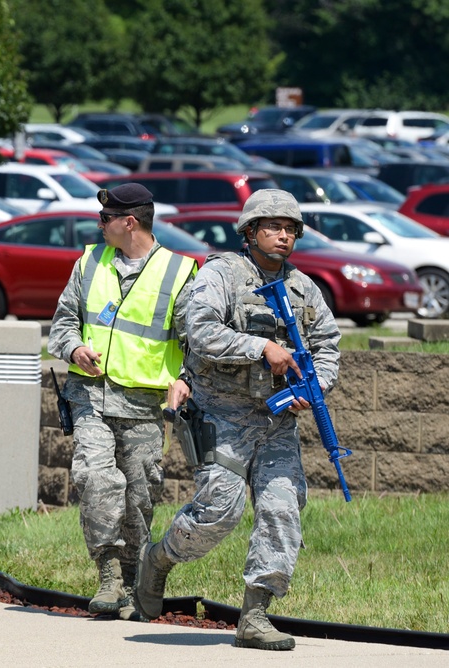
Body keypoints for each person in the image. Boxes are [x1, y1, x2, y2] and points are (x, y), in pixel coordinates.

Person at [134, 189, 340, 651]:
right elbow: (201, 331)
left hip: (276, 423)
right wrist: (260, 348)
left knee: (283, 510)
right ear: (249, 232)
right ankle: (160, 559)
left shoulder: (304, 288)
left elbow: (328, 345)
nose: (283, 236)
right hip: (221, 415)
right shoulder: (220, 275)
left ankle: (255, 615)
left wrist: (314, 388)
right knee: (219, 512)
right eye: (273, 227)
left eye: (290, 229)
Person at [47, 182, 196, 620]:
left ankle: (133, 582)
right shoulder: (89, 262)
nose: (99, 225)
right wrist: (74, 349)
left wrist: (185, 379)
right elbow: (62, 324)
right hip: (89, 396)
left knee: (139, 495)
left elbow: (196, 343)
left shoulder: (179, 272)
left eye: (106, 218)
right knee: (96, 479)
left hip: (143, 406)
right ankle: (108, 574)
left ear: (129, 222)